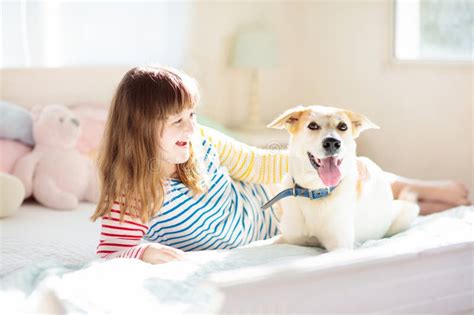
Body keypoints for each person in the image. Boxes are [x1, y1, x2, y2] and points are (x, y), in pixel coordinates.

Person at [90, 66, 470, 264]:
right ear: (139, 128)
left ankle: (416, 187)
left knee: (353, 179)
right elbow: (109, 254)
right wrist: (142, 252)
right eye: (178, 121)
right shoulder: (132, 195)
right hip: (274, 229)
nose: (192, 126)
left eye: (193, 114)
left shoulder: (202, 141)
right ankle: (417, 199)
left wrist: (325, 164)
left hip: (271, 205)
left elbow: (258, 164)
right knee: (364, 201)